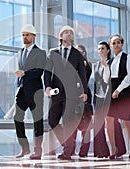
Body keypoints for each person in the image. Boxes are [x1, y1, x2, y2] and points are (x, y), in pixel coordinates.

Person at [44, 25, 88, 160]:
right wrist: (47, 87)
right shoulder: (53, 52)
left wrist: (84, 91)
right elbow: (47, 71)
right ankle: (68, 144)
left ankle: (67, 151)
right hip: (56, 93)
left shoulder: (77, 54)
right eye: (66, 32)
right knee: (52, 120)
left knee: (68, 122)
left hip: (72, 94)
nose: (69, 34)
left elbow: (82, 74)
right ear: (61, 36)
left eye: (71, 33)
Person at [13, 24, 47, 160]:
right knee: (17, 118)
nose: (24, 37)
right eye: (23, 35)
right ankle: (25, 148)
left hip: (35, 92)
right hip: (21, 91)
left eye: (27, 35)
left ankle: (37, 151)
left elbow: (39, 71)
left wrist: (24, 73)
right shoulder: (20, 52)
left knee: (37, 122)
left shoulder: (41, 53)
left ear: (33, 37)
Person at [106, 34, 130, 159]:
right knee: (108, 119)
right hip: (111, 91)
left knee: (126, 121)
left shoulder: (128, 57)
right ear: (110, 46)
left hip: (124, 91)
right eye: (113, 43)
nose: (116, 45)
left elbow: (129, 77)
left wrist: (118, 90)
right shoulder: (109, 61)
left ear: (122, 44)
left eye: (118, 42)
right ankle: (113, 149)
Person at [71, 44, 93, 157]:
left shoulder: (86, 64)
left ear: (84, 54)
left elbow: (83, 79)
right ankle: (71, 149)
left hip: (84, 96)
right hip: (73, 96)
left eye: (80, 52)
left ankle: (83, 151)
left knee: (86, 125)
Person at [92, 41, 111, 158]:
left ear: (108, 50)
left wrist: (105, 65)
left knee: (110, 124)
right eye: (99, 49)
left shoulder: (111, 63)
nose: (100, 51)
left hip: (107, 98)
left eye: (103, 48)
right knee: (97, 125)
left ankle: (111, 150)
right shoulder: (96, 64)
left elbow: (107, 79)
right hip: (98, 98)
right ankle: (100, 151)